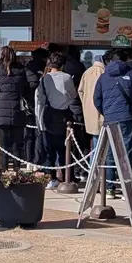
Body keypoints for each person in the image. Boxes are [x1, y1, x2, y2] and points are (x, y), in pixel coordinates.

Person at [93, 49, 132, 190]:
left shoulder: (103, 77)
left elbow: (96, 99)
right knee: (126, 152)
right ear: (125, 59)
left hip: (110, 118)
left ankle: (109, 187)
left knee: (110, 152)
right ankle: (126, 188)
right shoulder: (131, 73)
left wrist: (106, 112)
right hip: (126, 117)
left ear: (110, 60)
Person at [0, 46, 30, 169]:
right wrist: (23, 93)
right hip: (17, 109)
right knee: (17, 146)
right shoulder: (21, 69)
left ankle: (3, 173)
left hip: (1, 108)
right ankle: (17, 171)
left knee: (3, 147)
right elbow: (33, 82)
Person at [36, 52, 80, 188]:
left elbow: (40, 99)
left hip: (48, 115)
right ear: (63, 64)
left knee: (49, 148)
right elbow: (73, 95)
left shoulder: (44, 79)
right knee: (64, 148)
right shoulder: (66, 78)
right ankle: (67, 176)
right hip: (63, 116)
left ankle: (51, 178)